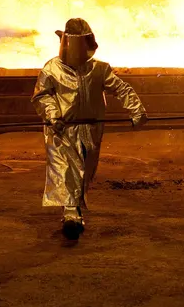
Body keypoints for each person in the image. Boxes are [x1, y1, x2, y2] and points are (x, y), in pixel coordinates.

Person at [31, 18, 148, 240]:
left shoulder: (99, 69)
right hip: (62, 130)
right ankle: (71, 215)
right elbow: (42, 96)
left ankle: (75, 209)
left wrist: (137, 111)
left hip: (91, 130)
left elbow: (121, 88)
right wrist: (53, 115)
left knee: (84, 170)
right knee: (67, 169)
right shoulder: (51, 69)